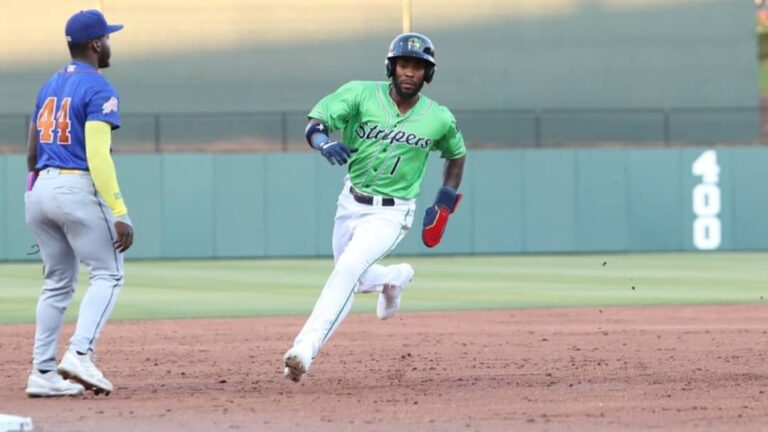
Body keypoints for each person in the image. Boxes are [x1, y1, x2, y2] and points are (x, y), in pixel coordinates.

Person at [283, 32, 467, 382]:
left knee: (347, 271)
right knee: (354, 276)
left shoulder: (438, 118)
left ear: (428, 74)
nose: (409, 72)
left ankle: (304, 349)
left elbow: (456, 156)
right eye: (403, 65)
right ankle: (394, 277)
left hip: (392, 212)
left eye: (418, 67)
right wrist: (323, 144)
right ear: (391, 67)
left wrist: (444, 202)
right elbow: (316, 124)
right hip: (351, 202)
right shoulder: (359, 94)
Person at [23, 9, 133, 397]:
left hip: (39, 189)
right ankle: (80, 354)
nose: (109, 44)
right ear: (94, 44)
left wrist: (34, 191)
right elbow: (99, 156)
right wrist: (119, 211)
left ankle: (43, 373)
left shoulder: (48, 85)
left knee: (56, 283)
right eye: (107, 38)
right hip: (76, 188)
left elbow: (33, 149)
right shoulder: (100, 88)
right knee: (109, 274)